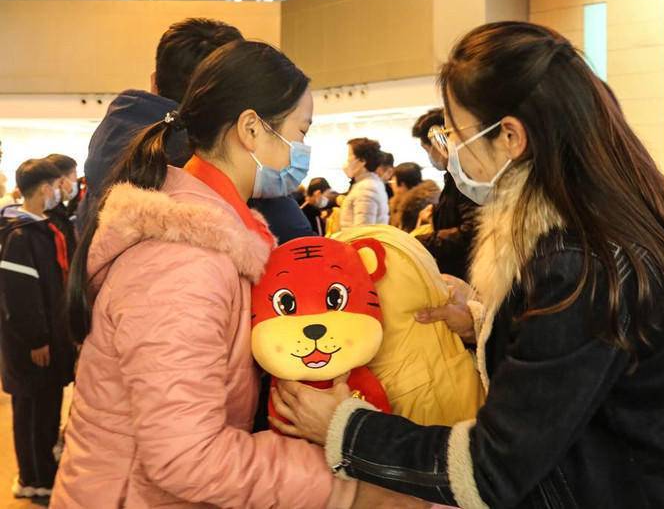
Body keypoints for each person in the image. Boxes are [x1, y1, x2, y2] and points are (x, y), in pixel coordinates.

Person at [271, 22, 664, 508]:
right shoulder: (608, 219)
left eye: (455, 133)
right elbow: (591, 364)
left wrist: (346, 428)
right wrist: (485, 321)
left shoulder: (578, 263)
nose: (454, 152)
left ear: (511, 138)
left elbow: (493, 469)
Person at [50, 39, 420, 509]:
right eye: (301, 131)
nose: (302, 150)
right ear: (250, 129)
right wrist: (347, 489)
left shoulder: (215, 235)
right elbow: (186, 455)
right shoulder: (181, 262)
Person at [78, 17, 312, 242]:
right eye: (302, 131)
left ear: (153, 82)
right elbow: (298, 242)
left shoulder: (109, 157)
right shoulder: (226, 166)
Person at [0, 159, 76, 499]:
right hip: (32, 346)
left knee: (45, 410)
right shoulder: (19, 235)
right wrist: (37, 339)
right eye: (58, 185)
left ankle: (42, 469)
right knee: (33, 413)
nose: (61, 191)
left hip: (48, 339)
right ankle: (35, 479)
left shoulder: (42, 228)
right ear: (45, 189)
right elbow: (21, 296)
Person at [410, 108, 478, 280]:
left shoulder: (466, 177)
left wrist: (423, 241)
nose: (429, 156)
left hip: (468, 275)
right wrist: (436, 211)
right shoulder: (454, 176)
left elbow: (472, 232)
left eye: (427, 149)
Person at [339, 138, 389, 228]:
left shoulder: (367, 188)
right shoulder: (368, 184)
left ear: (362, 161)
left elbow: (363, 229)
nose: (347, 161)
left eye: (349, 156)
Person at [44, 154, 79, 259]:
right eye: (75, 175)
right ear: (62, 181)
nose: (76, 181)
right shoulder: (52, 219)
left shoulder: (56, 211)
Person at [388, 162, 422, 227]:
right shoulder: (423, 201)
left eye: (392, 182)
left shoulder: (410, 209)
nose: (391, 186)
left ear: (402, 185)